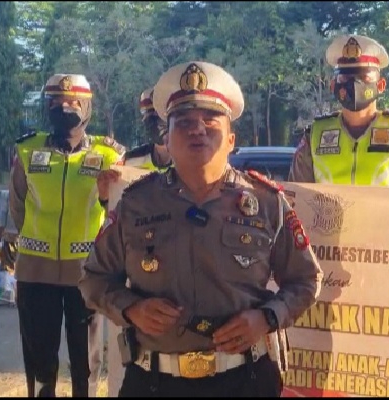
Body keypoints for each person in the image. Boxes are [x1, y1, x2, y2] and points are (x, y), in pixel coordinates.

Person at [79, 61, 322, 397]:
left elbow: (306, 279)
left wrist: (267, 318)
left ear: (231, 140)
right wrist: (131, 308)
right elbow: (93, 279)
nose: (198, 129)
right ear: (167, 139)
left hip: (246, 380)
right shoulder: (136, 203)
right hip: (154, 382)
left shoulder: (267, 202)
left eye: (210, 121)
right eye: (184, 122)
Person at [9, 73, 125, 397]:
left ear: (87, 107)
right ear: (46, 106)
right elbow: (17, 204)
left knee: (85, 360)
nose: (65, 107)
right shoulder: (27, 150)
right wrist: (16, 239)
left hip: (87, 273)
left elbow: (117, 211)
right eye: (56, 102)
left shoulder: (109, 154)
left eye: (74, 102)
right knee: (40, 357)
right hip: (35, 272)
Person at [88, 87, 172, 398]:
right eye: (148, 117)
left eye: (159, 115)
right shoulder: (131, 161)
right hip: (138, 272)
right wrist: (104, 197)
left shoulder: (194, 158)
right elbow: (114, 216)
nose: (155, 123)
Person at [288, 34, 389, 186]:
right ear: (333, 86)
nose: (354, 84)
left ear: (381, 85)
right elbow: (296, 194)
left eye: (364, 78)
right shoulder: (314, 135)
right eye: (345, 78)